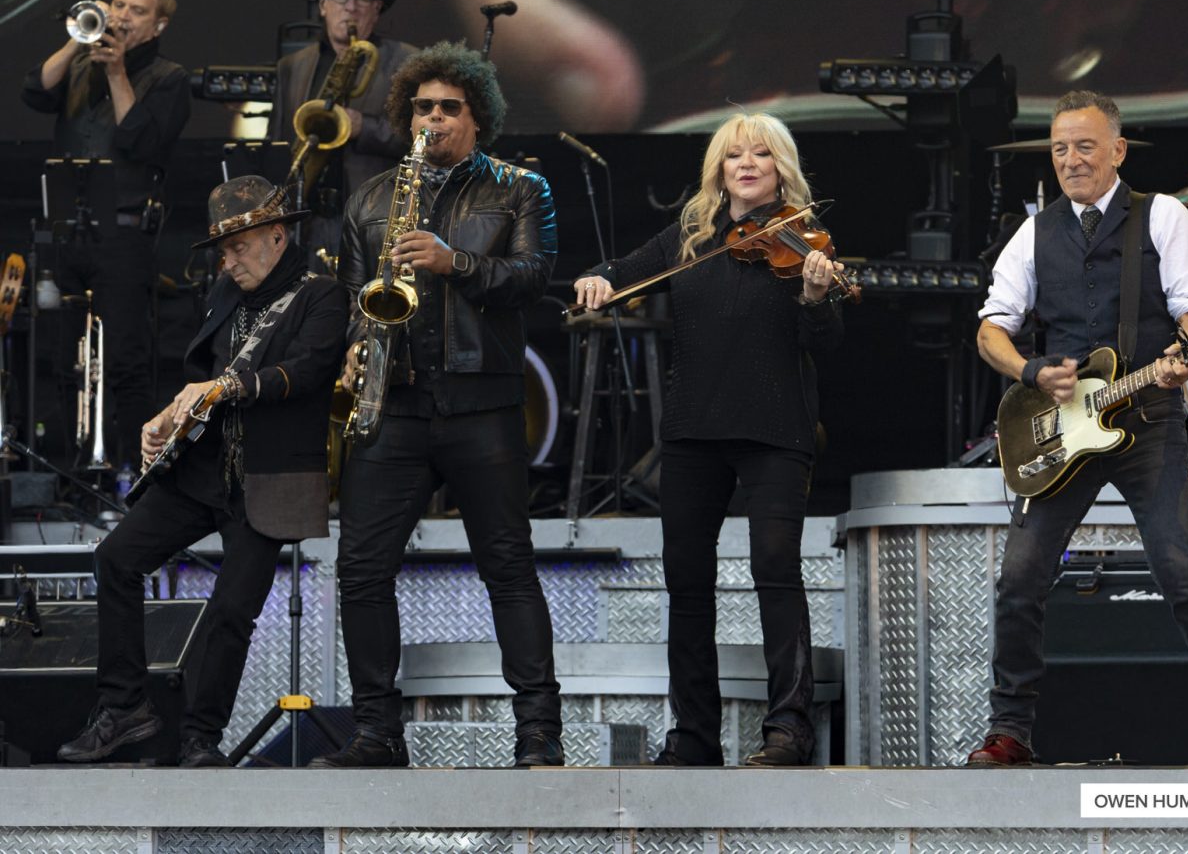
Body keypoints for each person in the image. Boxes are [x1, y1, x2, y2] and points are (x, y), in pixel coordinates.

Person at [969, 90, 1188, 767]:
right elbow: (991, 329)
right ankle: (1009, 729)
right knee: (1019, 579)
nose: (1071, 159)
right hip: (1061, 426)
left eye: (1084, 145)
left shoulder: (1162, 215)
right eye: (1059, 148)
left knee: (1183, 572)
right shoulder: (1034, 231)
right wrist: (1029, 373)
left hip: (1146, 417)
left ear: (1117, 149)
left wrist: (1183, 360)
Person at [314, 41, 562, 768]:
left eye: (449, 108)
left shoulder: (520, 188)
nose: (434, 119)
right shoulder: (370, 198)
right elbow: (360, 299)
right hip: (395, 402)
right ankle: (376, 733)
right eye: (422, 107)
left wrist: (456, 262)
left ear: (477, 117)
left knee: (508, 565)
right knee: (360, 570)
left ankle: (538, 732)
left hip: (482, 403)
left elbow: (535, 277)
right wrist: (358, 345)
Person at [574, 112, 844, 766]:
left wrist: (814, 296)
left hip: (776, 426)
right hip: (694, 429)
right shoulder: (689, 235)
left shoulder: (804, 242)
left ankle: (788, 729)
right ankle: (693, 734)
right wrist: (600, 278)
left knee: (775, 570)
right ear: (718, 169)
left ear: (782, 166)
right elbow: (622, 271)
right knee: (686, 581)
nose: (747, 163)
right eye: (734, 155)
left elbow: (829, 341)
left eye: (761, 154)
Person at [56, 176, 348, 767]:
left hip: (271, 480)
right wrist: (166, 416)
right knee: (116, 558)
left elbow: (309, 373)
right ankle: (125, 708)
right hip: (203, 470)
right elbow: (207, 373)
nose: (228, 258)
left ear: (274, 235)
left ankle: (200, 739)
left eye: (239, 245)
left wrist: (223, 387)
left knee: (231, 612)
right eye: (223, 248)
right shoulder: (222, 292)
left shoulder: (323, 294)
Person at [21, 0, 191, 470]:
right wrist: (78, 38)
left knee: (126, 364)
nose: (122, 17)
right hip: (66, 232)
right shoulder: (81, 62)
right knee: (61, 358)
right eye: (118, 6)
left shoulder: (169, 77)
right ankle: (67, 473)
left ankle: (130, 474)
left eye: (137, 11)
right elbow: (34, 90)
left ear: (158, 25)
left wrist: (117, 72)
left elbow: (140, 141)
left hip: (123, 236)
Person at [269, 0, 417, 266]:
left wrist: (364, 127)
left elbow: (422, 139)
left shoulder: (407, 62)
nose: (350, 7)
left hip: (373, 221)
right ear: (322, 5)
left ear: (377, 10)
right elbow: (278, 142)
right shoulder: (292, 66)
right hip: (304, 221)